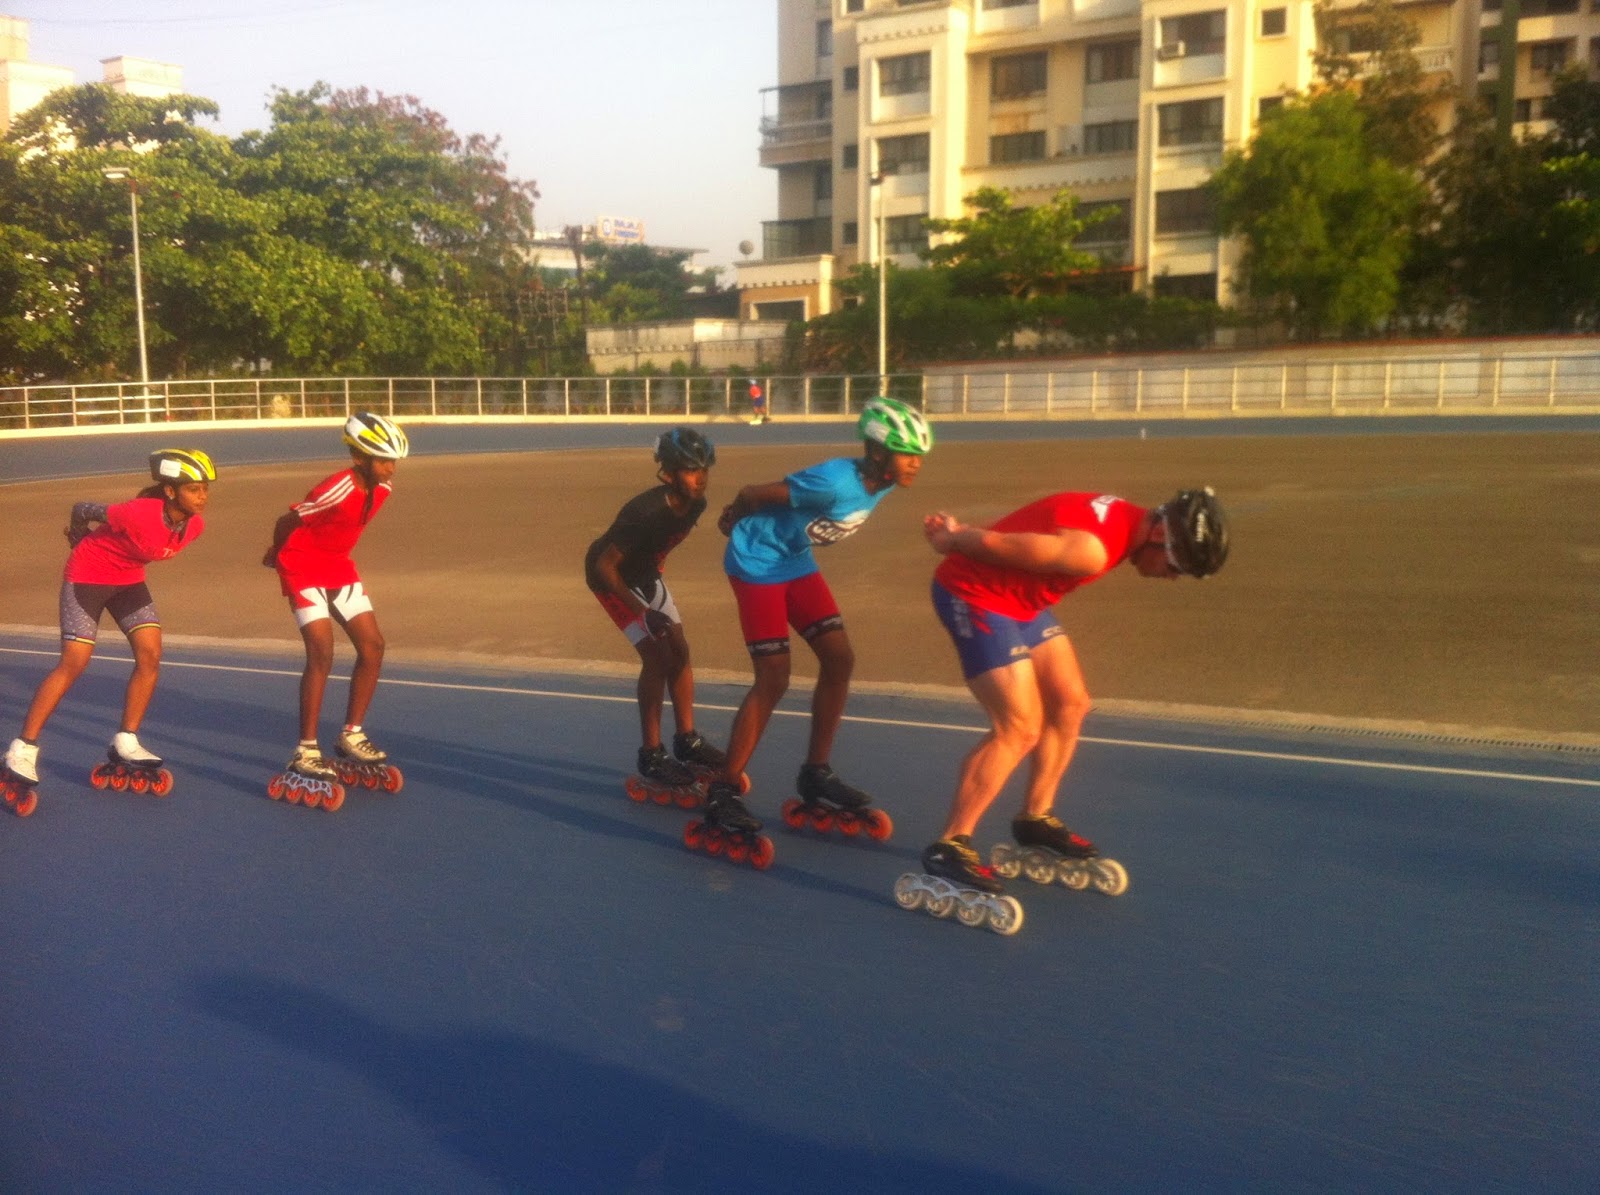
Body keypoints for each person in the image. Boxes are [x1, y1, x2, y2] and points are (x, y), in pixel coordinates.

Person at [918, 487, 1231, 891]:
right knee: (1020, 727)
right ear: (1159, 536)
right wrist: (953, 538)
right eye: (1176, 566)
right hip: (975, 594)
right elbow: (997, 543)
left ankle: (1035, 818)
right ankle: (950, 845)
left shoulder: (1124, 516)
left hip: (1020, 602)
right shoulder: (1091, 551)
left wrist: (961, 532)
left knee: (1070, 703)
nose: (1172, 578)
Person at [701, 396, 933, 837]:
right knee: (774, 676)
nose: (916, 465)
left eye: (920, 457)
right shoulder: (833, 481)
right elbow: (753, 493)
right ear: (880, 452)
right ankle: (724, 790)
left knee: (839, 658)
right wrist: (732, 516)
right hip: (757, 564)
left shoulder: (880, 483)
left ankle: (816, 772)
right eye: (908, 455)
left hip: (795, 561)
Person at [3, 449, 215, 803]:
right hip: (87, 576)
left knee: (151, 655)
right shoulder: (136, 513)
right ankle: (22, 748)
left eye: (205, 488)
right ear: (170, 491)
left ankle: (126, 741)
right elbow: (84, 507)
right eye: (194, 489)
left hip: (128, 580)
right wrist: (77, 535)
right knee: (74, 663)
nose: (203, 496)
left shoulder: (194, 525)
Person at [263, 412, 408, 788]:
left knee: (373, 646)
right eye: (384, 460)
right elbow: (289, 520)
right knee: (322, 652)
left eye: (394, 461)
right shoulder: (336, 487)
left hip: (338, 568)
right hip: (301, 568)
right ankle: (306, 749)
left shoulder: (384, 490)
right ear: (360, 458)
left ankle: (351, 734)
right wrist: (276, 553)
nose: (391, 469)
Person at [584, 427, 727, 794]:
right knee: (656, 656)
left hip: (645, 574)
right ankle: (651, 754)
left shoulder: (697, 503)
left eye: (705, 469)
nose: (701, 478)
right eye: (692, 470)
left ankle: (686, 740)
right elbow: (605, 566)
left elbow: (658, 549)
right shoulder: (643, 511)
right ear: (667, 473)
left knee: (680, 649)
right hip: (610, 576)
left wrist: (655, 590)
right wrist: (643, 611)